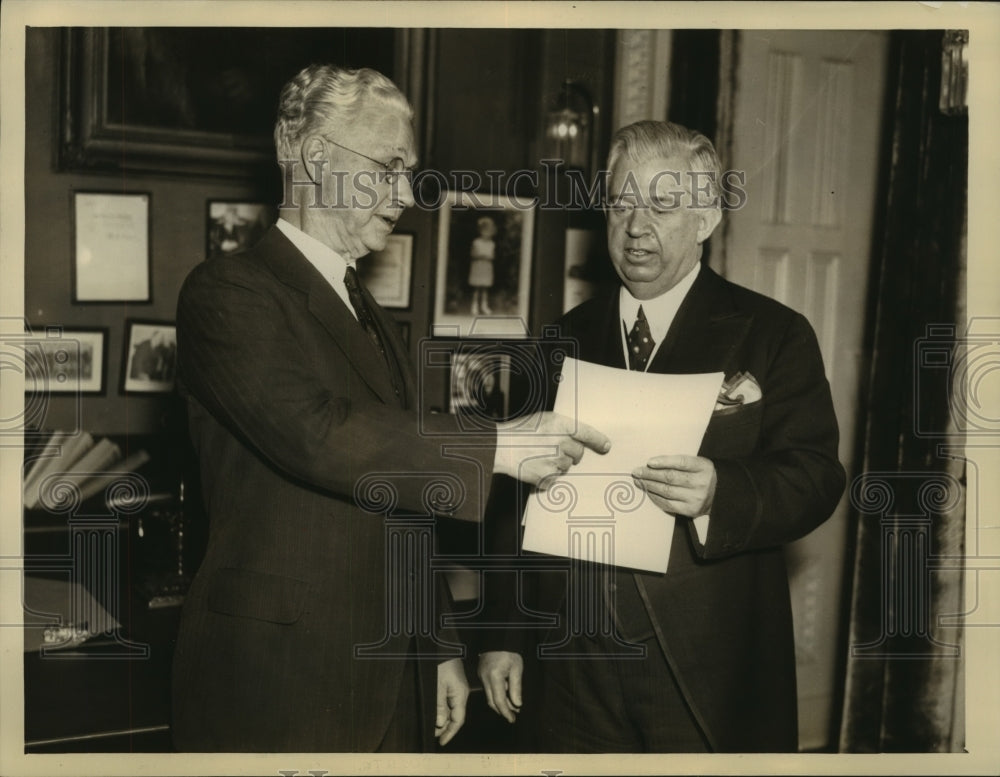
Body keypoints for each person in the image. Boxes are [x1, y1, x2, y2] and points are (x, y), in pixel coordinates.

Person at [171, 64, 610, 752]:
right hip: (278, 679)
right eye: (389, 167)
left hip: (387, 672)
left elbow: (402, 504)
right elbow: (316, 432)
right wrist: (495, 446)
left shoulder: (372, 317)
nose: (407, 192)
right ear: (316, 156)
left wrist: (435, 643)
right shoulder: (228, 292)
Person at [477, 120, 846, 752]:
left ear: (706, 220)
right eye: (621, 203)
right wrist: (504, 632)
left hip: (703, 660)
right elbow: (511, 500)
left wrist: (720, 492)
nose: (636, 226)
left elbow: (815, 476)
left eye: (663, 205)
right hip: (572, 658)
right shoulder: (557, 339)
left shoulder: (773, 333)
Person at [468, 215, 497, 315]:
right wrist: (481, 255)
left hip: (486, 267)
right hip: (478, 266)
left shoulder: (492, 244)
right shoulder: (476, 242)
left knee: (485, 288)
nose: (487, 233)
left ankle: (484, 306)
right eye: (485, 231)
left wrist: (488, 257)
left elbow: (493, 256)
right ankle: (474, 306)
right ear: (480, 231)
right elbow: (472, 254)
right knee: (477, 288)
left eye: (489, 231)